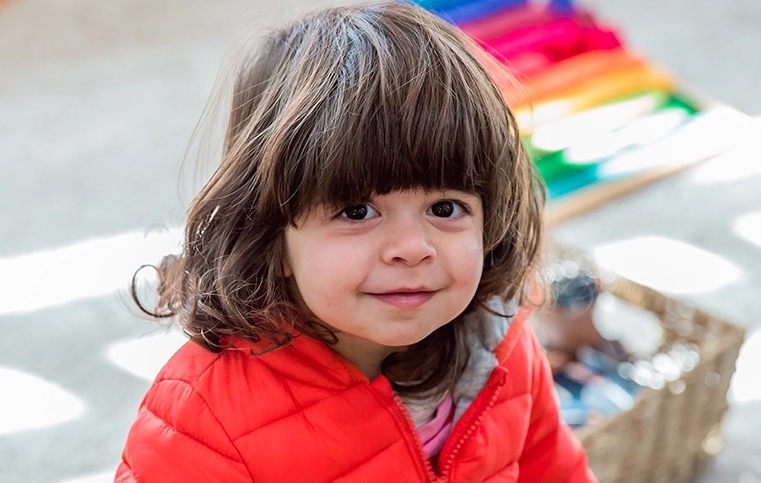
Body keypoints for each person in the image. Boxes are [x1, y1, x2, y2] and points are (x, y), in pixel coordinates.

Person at [116, 2, 596, 481]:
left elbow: (555, 470)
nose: (413, 247)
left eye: (445, 208)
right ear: (270, 235)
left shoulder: (501, 347)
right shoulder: (204, 422)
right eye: (356, 212)